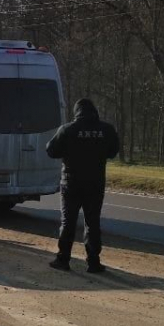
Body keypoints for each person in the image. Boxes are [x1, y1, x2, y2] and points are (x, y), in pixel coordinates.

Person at [45, 98, 121, 273]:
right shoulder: (106, 130)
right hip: (95, 183)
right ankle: (94, 262)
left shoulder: (68, 129)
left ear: (77, 112)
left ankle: (63, 259)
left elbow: (51, 150)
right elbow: (113, 151)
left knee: (68, 222)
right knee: (92, 222)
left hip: (71, 182)